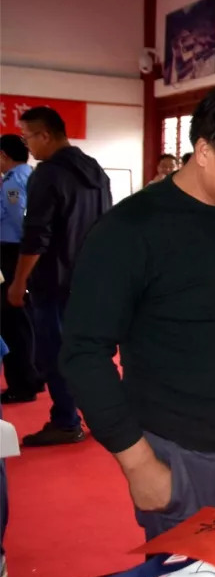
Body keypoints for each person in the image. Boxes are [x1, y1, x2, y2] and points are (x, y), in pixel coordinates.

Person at [59, 80, 215, 540]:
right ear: (204, 151)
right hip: (189, 462)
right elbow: (83, 353)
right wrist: (138, 464)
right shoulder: (130, 231)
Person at [10, 107, 111, 447]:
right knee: (89, 352)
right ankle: (102, 416)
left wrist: (18, 281)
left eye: (27, 138)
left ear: (45, 135)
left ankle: (66, 421)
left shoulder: (48, 174)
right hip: (91, 279)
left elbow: (37, 234)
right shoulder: (95, 170)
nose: (27, 146)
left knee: (55, 353)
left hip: (54, 280)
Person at [0, 135, 41, 403]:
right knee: (28, 319)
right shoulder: (32, 175)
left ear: (4, 155)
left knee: (13, 320)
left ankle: (22, 383)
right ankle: (33, 377)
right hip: (27, 253)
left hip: (14, 252)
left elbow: (18, 218)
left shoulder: (14, 181)